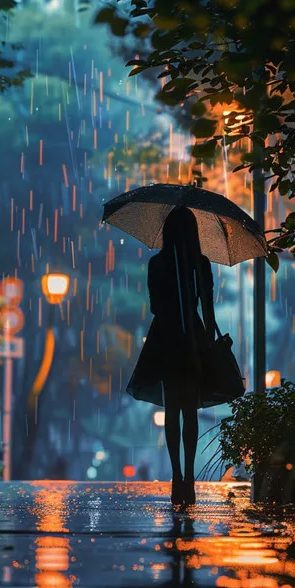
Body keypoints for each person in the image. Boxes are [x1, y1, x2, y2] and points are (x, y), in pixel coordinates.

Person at [126, 207, 215, 506]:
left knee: (173, 408)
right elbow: (208, 306)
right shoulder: (199, 263)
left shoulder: (158, 263)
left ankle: (177, 475)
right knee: (190, 410)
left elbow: (154, 307)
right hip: (191, 337)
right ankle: (189, 476)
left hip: (165, 338)